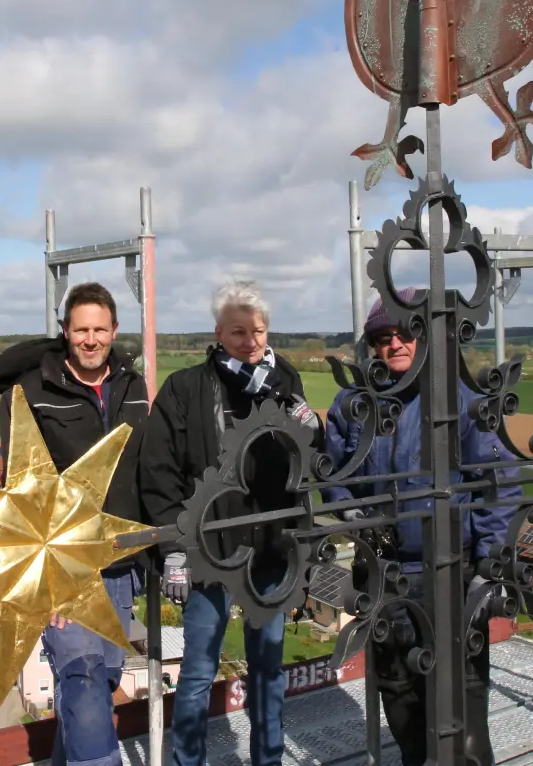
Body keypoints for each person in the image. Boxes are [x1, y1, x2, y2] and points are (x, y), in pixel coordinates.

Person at [322, 292, 522, 766]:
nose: (393, 345)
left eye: (404, 332)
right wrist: (353, 514)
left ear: (427, 335)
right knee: (400, 700)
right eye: (380, 338)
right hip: (386, 573)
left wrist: (488, 567)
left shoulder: (463, 401)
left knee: (462, 715)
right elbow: (334, 472)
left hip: (449, 572)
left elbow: (499, 485)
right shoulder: (356, 403)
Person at [137, 278, 322, 766]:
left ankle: (268, 759)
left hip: (271, 551)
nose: (250, 341)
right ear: (218, 332)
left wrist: (307, 425)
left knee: (268, 669)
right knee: (199, 671)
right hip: (209, 549)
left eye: (257, 330)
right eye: (238, 331)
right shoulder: (187, 389)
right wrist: (173, 547)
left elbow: (303, 462)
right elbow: (159, 472)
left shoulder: (285, 383)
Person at [0, 281, 151, 766]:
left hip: (117, 562)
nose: (91, 339)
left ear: (115, 331)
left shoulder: (131, 385)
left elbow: (145, 468)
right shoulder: (31, 391)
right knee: (83, 676)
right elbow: (23, 492)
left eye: (100, 329)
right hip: (58, 567)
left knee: (106, 677)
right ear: (65, 333)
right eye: (81, 330)